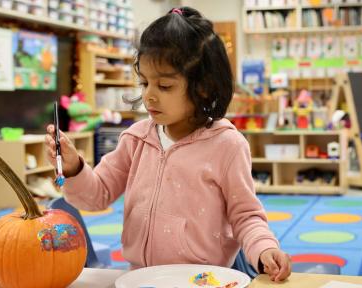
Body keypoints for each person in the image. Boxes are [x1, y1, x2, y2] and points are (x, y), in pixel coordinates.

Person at [45, 7, 291, 282]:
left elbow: (246, 216)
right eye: (144, 82)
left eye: (164, 86)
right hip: (141, 278)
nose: (149, 96)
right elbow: (96, 195)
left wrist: (265, 249)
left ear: (204, 88)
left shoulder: (227, 146)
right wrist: (74, 167)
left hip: (203, 280)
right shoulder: (136, 138)